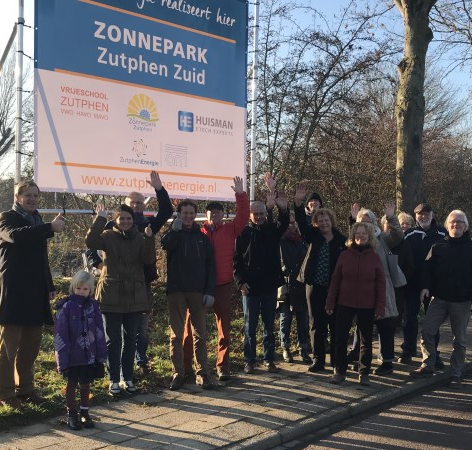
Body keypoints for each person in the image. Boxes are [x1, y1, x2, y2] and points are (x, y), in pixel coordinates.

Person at [86, 171, 173, 375]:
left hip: (141, 284)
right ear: (125, 205)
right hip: (115, 286)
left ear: (144, 205)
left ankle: (140, 362)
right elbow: (91, 247)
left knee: (140, 330)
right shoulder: (112, 225)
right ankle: (116, 373)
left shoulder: (148, 224)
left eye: (139, 203)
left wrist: (159, 189)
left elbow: (167, 210)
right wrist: (101, 267)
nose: (135, 206)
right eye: (132, 203)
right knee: (115, 335)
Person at [0, 180, 65, 410]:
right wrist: (49, 228)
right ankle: (6, 394)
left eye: (36, 196)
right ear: (18, 198)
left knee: (31, 345)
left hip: (36, 292)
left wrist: (49, 285)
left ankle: (26, 389)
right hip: (14, 292)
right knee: (9, 347)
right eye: (28, 195)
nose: (33, 199)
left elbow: (41, 259)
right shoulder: (7, 218)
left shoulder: (36, 220)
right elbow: (16, 236)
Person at [182, 177, 249, 381]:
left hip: (223, 285)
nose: (215, 215)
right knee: (189, 330)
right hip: (198, 288)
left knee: (224, 329)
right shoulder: (197, 232)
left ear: (223, 214)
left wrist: (240, 194)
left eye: (218, 212)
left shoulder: (230, 230)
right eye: (211, 212)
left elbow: (244, 216)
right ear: (206, 215)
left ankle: (223, 366)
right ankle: (187, 368)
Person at [86, 204, 155, 395]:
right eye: (121, 218)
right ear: (115, 220)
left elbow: (149, 259)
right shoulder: (107, 236)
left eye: (128, 218)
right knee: (113, 340)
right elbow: (90, 241)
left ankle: (128, 378)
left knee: (131, 339)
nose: (125, 221)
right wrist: (99, 219)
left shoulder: (141, 238)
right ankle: (113, 379)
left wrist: (150, 239)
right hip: (111, 294)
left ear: (133, 220)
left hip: (134, 294)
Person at [410, 210, 472, 388]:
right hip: (439, 298)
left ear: (465, 226)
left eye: (460, 222)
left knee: (459, 340)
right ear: (447, 225)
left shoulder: (470, 247)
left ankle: (456, 373)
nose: (456, 225)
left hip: (462, 301)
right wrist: (425, 287)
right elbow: (427, 270)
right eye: (453, 221)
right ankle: (427, 364)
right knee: (427, 330)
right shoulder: (438, 246)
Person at [162, 199, 216, 391]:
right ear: (179, 214)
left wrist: (210, 291)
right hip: (176, 291)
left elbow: (211, 266)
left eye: (191, 213)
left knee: (200, 334)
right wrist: (174, 230)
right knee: (176, 336)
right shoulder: (173, 233)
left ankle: (202, 373)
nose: (188, 217)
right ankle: (178, 373)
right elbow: (166, 245)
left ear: (195, 215)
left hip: (198, 291)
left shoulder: (202, 237)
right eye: (184, 213)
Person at [233, 193, 289, 374]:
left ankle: (269, 359)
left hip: (269, 288)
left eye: (262, 213)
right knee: (250, 327)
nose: (258, 217)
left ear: (266, 213)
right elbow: (236, 261)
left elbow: (284, 222)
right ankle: (249, 360)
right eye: (255, 214)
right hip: (249, 289)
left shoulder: (272, 230)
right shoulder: (243, 233)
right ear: (250, 215)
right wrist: (240, 282)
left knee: (268, 326)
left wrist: (282, 208)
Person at [294, 184, 346, 372]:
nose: (324, 223)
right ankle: (318, 359)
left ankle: (336, 361)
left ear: (331, 221)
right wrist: (298, 203)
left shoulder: (341, 240)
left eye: (326, 220)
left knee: (335, 325)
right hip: (314, 285)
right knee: (316, 323)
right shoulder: (313, 236)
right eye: (320, 220)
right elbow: (300, 221)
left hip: (335, 289)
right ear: (316, 222)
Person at [325, 222, 386, 386]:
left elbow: (381, 284)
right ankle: (339, 371)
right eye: (357, 233)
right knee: (340, 338)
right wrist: (330, 302)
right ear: (353, 236)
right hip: (345, 303)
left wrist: (380, 307)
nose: (360, 236)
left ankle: (364, 372)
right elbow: (335, 280)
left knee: (366, 341)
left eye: (364, 234)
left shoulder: (375, 258)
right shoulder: (344, 256)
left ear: (369, 237)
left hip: (368, 305)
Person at [348, 203, 403, 376]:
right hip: (362, 289)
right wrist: (352, 219)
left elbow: (397, 235)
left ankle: (387, 362)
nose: (365, 225)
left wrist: (391, 217)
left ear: (374, 222)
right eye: (361, 222)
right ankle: (360, 359)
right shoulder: (357, 240)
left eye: (368, 221)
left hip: (383, 289)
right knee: (362, 326)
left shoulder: (382, 238)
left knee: (385, 325)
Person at [54, 271, 107, 430]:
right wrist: (62, 360)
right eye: (78, 288)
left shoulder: (93, 307)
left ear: (90, 290)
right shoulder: (66, 307)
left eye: (85, 289)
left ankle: (85, 412)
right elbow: (60, 334)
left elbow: (99, 332)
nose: (81, 292)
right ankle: (71, 414)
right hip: (72, 355)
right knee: (72, 384)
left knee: (86, 383)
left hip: (89, 355)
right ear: (73, 288)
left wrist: (100, 355)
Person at [399, 203, 446, 366]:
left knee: (433, 321)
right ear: (416, 216)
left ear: (432, 215)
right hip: (411, 285)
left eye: (426, 214)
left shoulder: (442, 233)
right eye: (420, 214)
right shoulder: (409, 234)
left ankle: (434, 354)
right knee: (408, 319)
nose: (423, 216)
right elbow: (402, 257)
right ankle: (408, 351)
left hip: (434, 285)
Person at [277, 212, 311, 364]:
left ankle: (303, 348)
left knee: (303, 319)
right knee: (286, 318)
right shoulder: (279, 241)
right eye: (289, 223)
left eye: (294, 223)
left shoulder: (303, 240)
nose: (292, 225)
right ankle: (286, 348)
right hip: (285, 285)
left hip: (302, 285)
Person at [380, 214, 415, 329]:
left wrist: (400, 280)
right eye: (387, 224)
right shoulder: (376, 242)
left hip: (397, 288)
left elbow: (410, 265)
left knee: (392, 324)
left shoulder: (404, 243)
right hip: (378, 287)